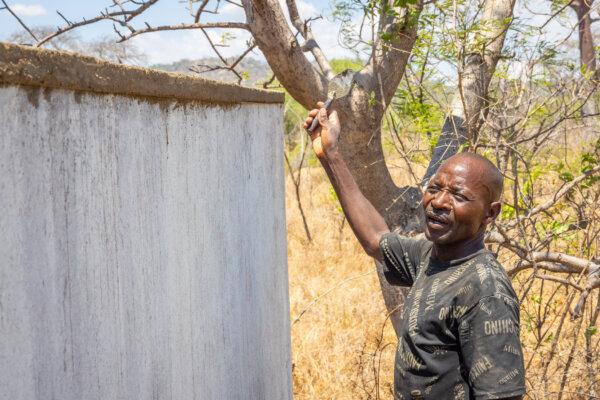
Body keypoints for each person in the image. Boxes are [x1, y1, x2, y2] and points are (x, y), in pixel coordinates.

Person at [303, 103, 526, 400]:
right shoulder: (432, 255)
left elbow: (501, 396)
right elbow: (375, 239)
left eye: (459, 195)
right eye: (434, 188)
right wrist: (330, 154)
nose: (439, 202)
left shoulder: (484, 289)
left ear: (490, 213)